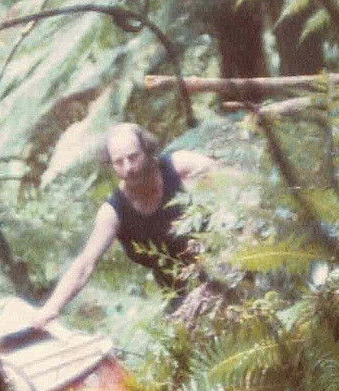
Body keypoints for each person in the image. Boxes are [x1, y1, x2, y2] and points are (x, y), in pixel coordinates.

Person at [30, 123, 215, 326]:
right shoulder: (113, 212)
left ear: (147, 150)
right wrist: (51, 308)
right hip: (183, 304)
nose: (128, 168)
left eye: (133, 157)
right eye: (118, 162)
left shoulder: (182, 168)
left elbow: (239, 190)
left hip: (227, 272)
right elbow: (85, 264)